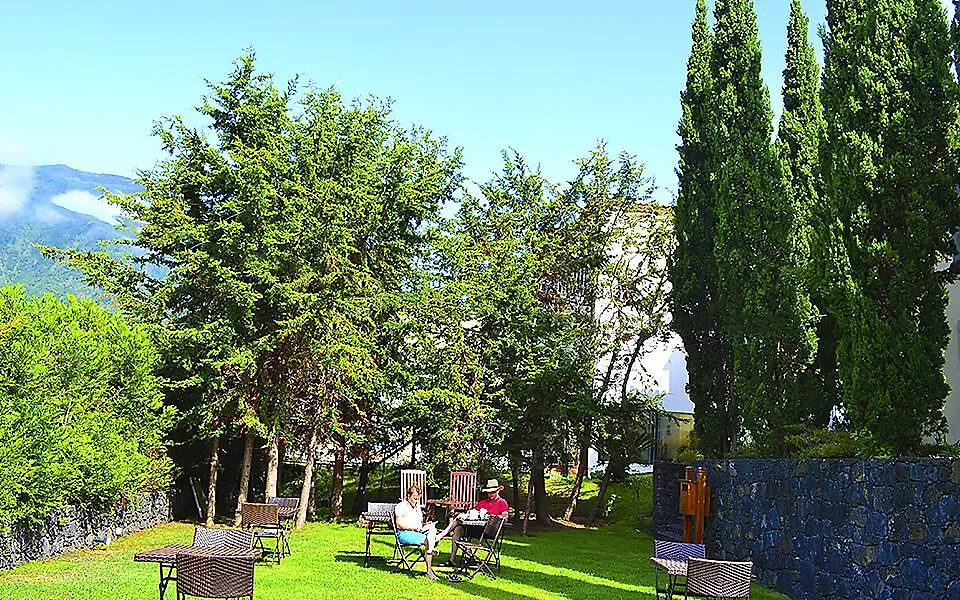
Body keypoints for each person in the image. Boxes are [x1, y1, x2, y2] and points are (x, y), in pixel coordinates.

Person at [437, 478, 509, 567]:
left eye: (493, 492)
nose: (491, 495)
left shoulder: (502, 502)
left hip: (489, 531)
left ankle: (441, 535)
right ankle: (452, 560)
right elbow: (473, 514)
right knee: (458, 529)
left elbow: (505, 517)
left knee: (458, 523)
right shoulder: (482, 503)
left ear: (498, 491)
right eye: (489, 492)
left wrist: (493, 517)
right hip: (475, 529)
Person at [395, 484, 440, 580]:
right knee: (430, 540)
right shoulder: (401, 506)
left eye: (418, 498)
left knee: (433, 530)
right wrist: (413, 528)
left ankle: (430, 549)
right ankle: (429, 571)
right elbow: (398, 524)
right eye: (414, 498)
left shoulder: (417, 507)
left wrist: (425, 525)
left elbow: (419, 523)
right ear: (408, 496)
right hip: (404, 533)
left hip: (417, 532)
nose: (416, 501)